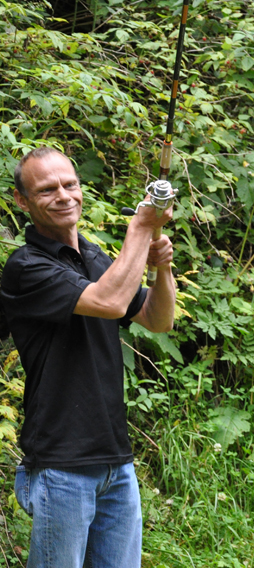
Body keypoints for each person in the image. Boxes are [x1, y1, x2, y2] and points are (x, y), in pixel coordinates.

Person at [0, 146, 176, 568]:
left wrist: (162, 268)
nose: (64, 195)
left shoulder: (94, 257)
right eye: (47, 190)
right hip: (61, 465)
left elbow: (157, 319)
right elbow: (111, 301)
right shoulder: (26, 267)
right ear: (21, 201)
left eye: (70, 184)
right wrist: (139, 227)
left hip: (116, 461)